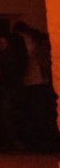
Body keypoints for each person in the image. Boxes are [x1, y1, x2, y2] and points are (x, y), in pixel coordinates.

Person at [12, 22, 59, 152]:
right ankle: (45, 143)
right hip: (41, 82)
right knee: (43, 115)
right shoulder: (38, 44)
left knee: (36, 115)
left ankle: (41, 143)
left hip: (32, 82)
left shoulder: (26, 43)